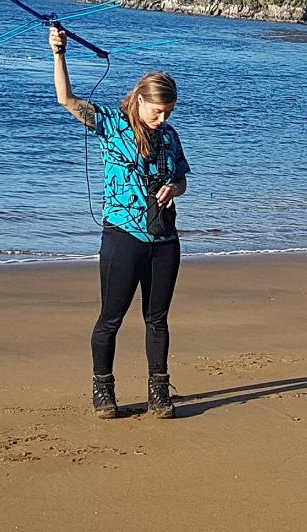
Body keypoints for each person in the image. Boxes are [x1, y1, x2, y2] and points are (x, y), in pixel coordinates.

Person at [49, 26, 190, 419]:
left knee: (157, 320)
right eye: (157, 110)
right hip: (122, 237)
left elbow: (181, 177)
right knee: (111, 318)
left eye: (168, 112)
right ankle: (102, 390)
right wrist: (59, 53)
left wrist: (173, 189)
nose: (162, 118)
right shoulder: (111, 124)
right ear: (140, 100)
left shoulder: (171, 137)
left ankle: (159, 394)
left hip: (164, 238)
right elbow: (66, 99)